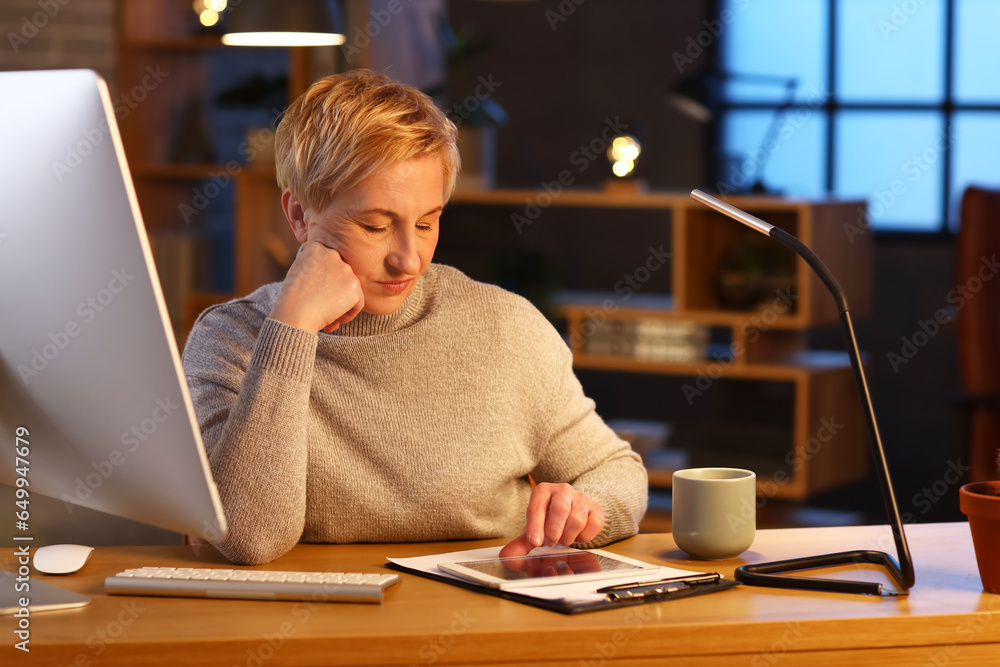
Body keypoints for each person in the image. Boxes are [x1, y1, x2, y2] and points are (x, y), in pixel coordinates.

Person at [182, 69, 647, 566]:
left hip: (484, 622)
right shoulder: (229, 341)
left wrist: (586, 508)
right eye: (375, 226)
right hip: (311, 627)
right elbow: (250, 538)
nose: (409, 259)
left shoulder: (507, 329)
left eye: (428, 222)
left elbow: (616, 470)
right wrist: (291, 329)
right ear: (299, 216)